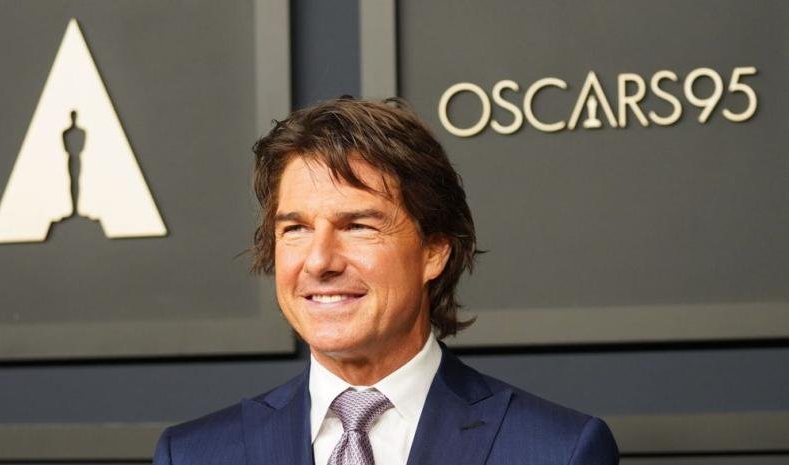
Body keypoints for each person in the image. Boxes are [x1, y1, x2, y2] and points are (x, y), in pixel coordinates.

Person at [154, 97, 619, 465]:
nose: (319, 261)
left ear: (434, 250)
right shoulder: (193, 454)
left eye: (358, 226)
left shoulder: (558, 451)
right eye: (295, 229)